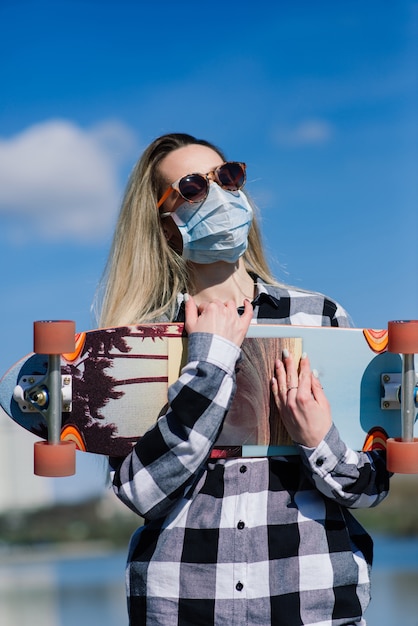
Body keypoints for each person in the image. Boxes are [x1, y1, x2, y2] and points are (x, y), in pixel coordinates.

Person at [98, 133, 390, 626]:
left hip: (313, 601)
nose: (219, 195)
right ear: (166, 226)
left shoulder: (320, 318)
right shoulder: (136, 346)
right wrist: (210, 362)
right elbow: (139, 490)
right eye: (192, 187)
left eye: (227, 177)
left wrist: (318, 439)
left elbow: (369, 488)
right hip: (184, 605)